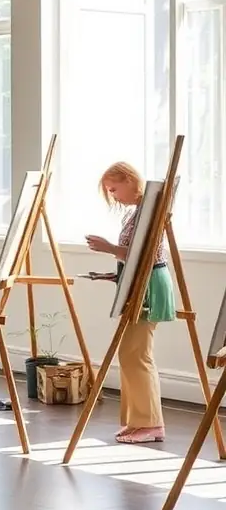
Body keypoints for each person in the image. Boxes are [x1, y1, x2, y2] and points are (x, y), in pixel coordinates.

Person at [86, 161, 175, 445]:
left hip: (149, 287)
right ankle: (136, 421)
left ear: (128, 179)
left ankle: (150, 424)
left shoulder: (149, 211)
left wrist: (109, 248)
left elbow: (146, 255)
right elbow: (135, 258)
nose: (114, 196)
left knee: (137, 355)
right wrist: (114, 274)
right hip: (139, 284)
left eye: (114, 189)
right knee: (131, 354)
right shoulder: (137, 212)